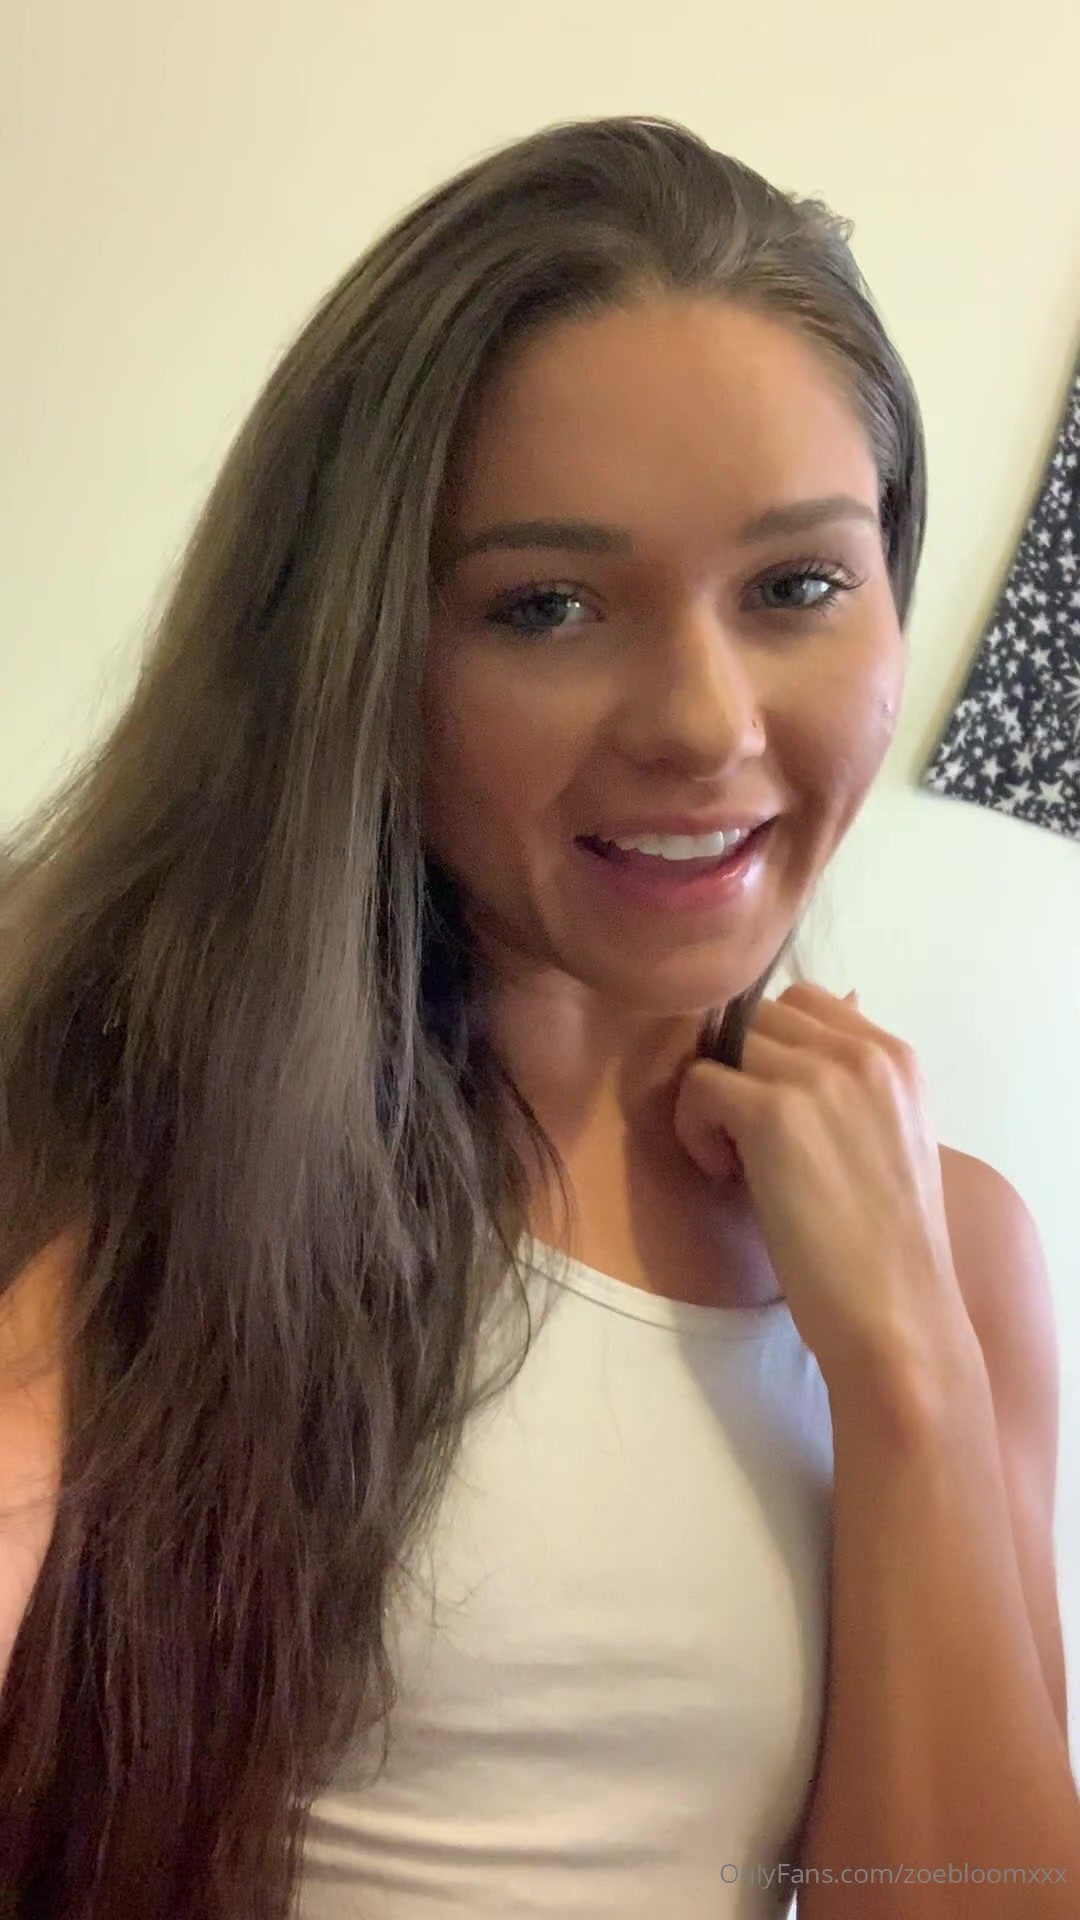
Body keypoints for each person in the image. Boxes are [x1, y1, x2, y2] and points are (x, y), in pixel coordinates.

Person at [0, 115, 1076, 1920]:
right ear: (355, 657)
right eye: (549, 606)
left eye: (799, 586)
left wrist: (906, 1369)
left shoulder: (956, 1253)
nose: (705, 723)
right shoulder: (112, 1152)